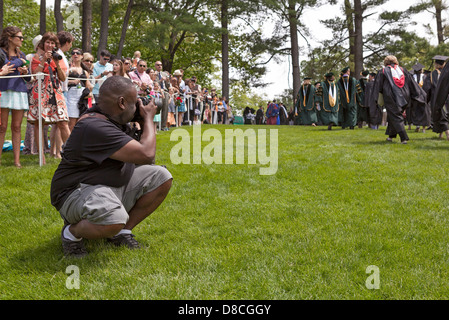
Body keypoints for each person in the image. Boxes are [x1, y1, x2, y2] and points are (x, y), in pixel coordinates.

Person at [50, 76, 173, 257]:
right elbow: (146, 154)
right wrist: (148, 119)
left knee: (161, 176)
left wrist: (137, 121)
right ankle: (71, 233)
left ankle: (121, 233)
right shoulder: (94, 126)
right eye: (135, 102)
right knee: (115, 219)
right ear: (122, 103)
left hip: (105, 185)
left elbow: (146, 162)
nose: (139, 106)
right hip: (75, 192)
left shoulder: (114, 121)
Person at [28, 31, 71, 164]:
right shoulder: (36, 56)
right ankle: (42, 156)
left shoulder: (58, 57)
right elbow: (35, 75)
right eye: (48, 42)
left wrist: (56, 64)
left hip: (56, 90)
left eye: (53, 43)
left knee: (63, 122)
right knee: (39, 122)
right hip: (40, 91)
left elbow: (63, 78)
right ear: (43, 43)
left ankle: (71, 153)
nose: (50, 45)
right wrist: (43, 60)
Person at [0, 26, 30, 168]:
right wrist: (20, 62)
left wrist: (25, 71)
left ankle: (17, 161)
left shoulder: (22, 54)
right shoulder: (1, 52)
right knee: (2, 126)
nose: (22, 40)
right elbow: (6, 67)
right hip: (3, 90)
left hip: (19, 90)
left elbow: (29, 79)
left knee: (17, 126)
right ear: (10, 38)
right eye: (20, 37)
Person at [372, 55, 419, 144]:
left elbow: (378, 86)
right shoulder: (403, 70)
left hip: (391, 96)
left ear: (386, 62)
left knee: (396, 116)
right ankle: (391, 136)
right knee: (393, 115)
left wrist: (375, 98)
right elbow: (411, 83)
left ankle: (404, 138)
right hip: (405, 95)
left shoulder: (383, 71)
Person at [423, 55, 449, 140]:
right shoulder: (447, 71)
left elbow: (427, 88)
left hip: (437, 97)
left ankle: (447, 133)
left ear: (436, 64)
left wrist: (426, 99)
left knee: (440, 115)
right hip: (447, 97)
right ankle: (440, 135)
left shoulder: (432, 74)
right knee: (442, 115)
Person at [66, 48, 91, 131]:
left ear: (82, 56)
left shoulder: (85, 72)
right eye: (73, 53)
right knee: (71, 123)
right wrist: (71, 81)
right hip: (71, 96)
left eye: (78, 53)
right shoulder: (68, 69)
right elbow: (61, 82)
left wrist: (90, 103)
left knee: (81, 121)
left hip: (82, 98)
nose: (75, 54)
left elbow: (88, 87)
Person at [409, 62, 431, 133]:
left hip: (419, 96)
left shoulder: (417, 77)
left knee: (420, 112)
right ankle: (421, 127)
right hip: (419, 97)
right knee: (420, 112)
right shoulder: (421, 77)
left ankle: (420, 127)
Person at [154, 61, 170, 130]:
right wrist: (160, 80)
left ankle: (163, 126)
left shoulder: (164, 74)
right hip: (157, 92)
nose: (159, 66)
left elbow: (168, 86)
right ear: (155, 66)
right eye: (158, 65)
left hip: (165, 92)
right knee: (158, 108)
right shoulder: (154, 73)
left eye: (160, 65)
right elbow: (154, 83)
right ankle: (157, 126)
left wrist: (168, 81)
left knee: (165, 108)